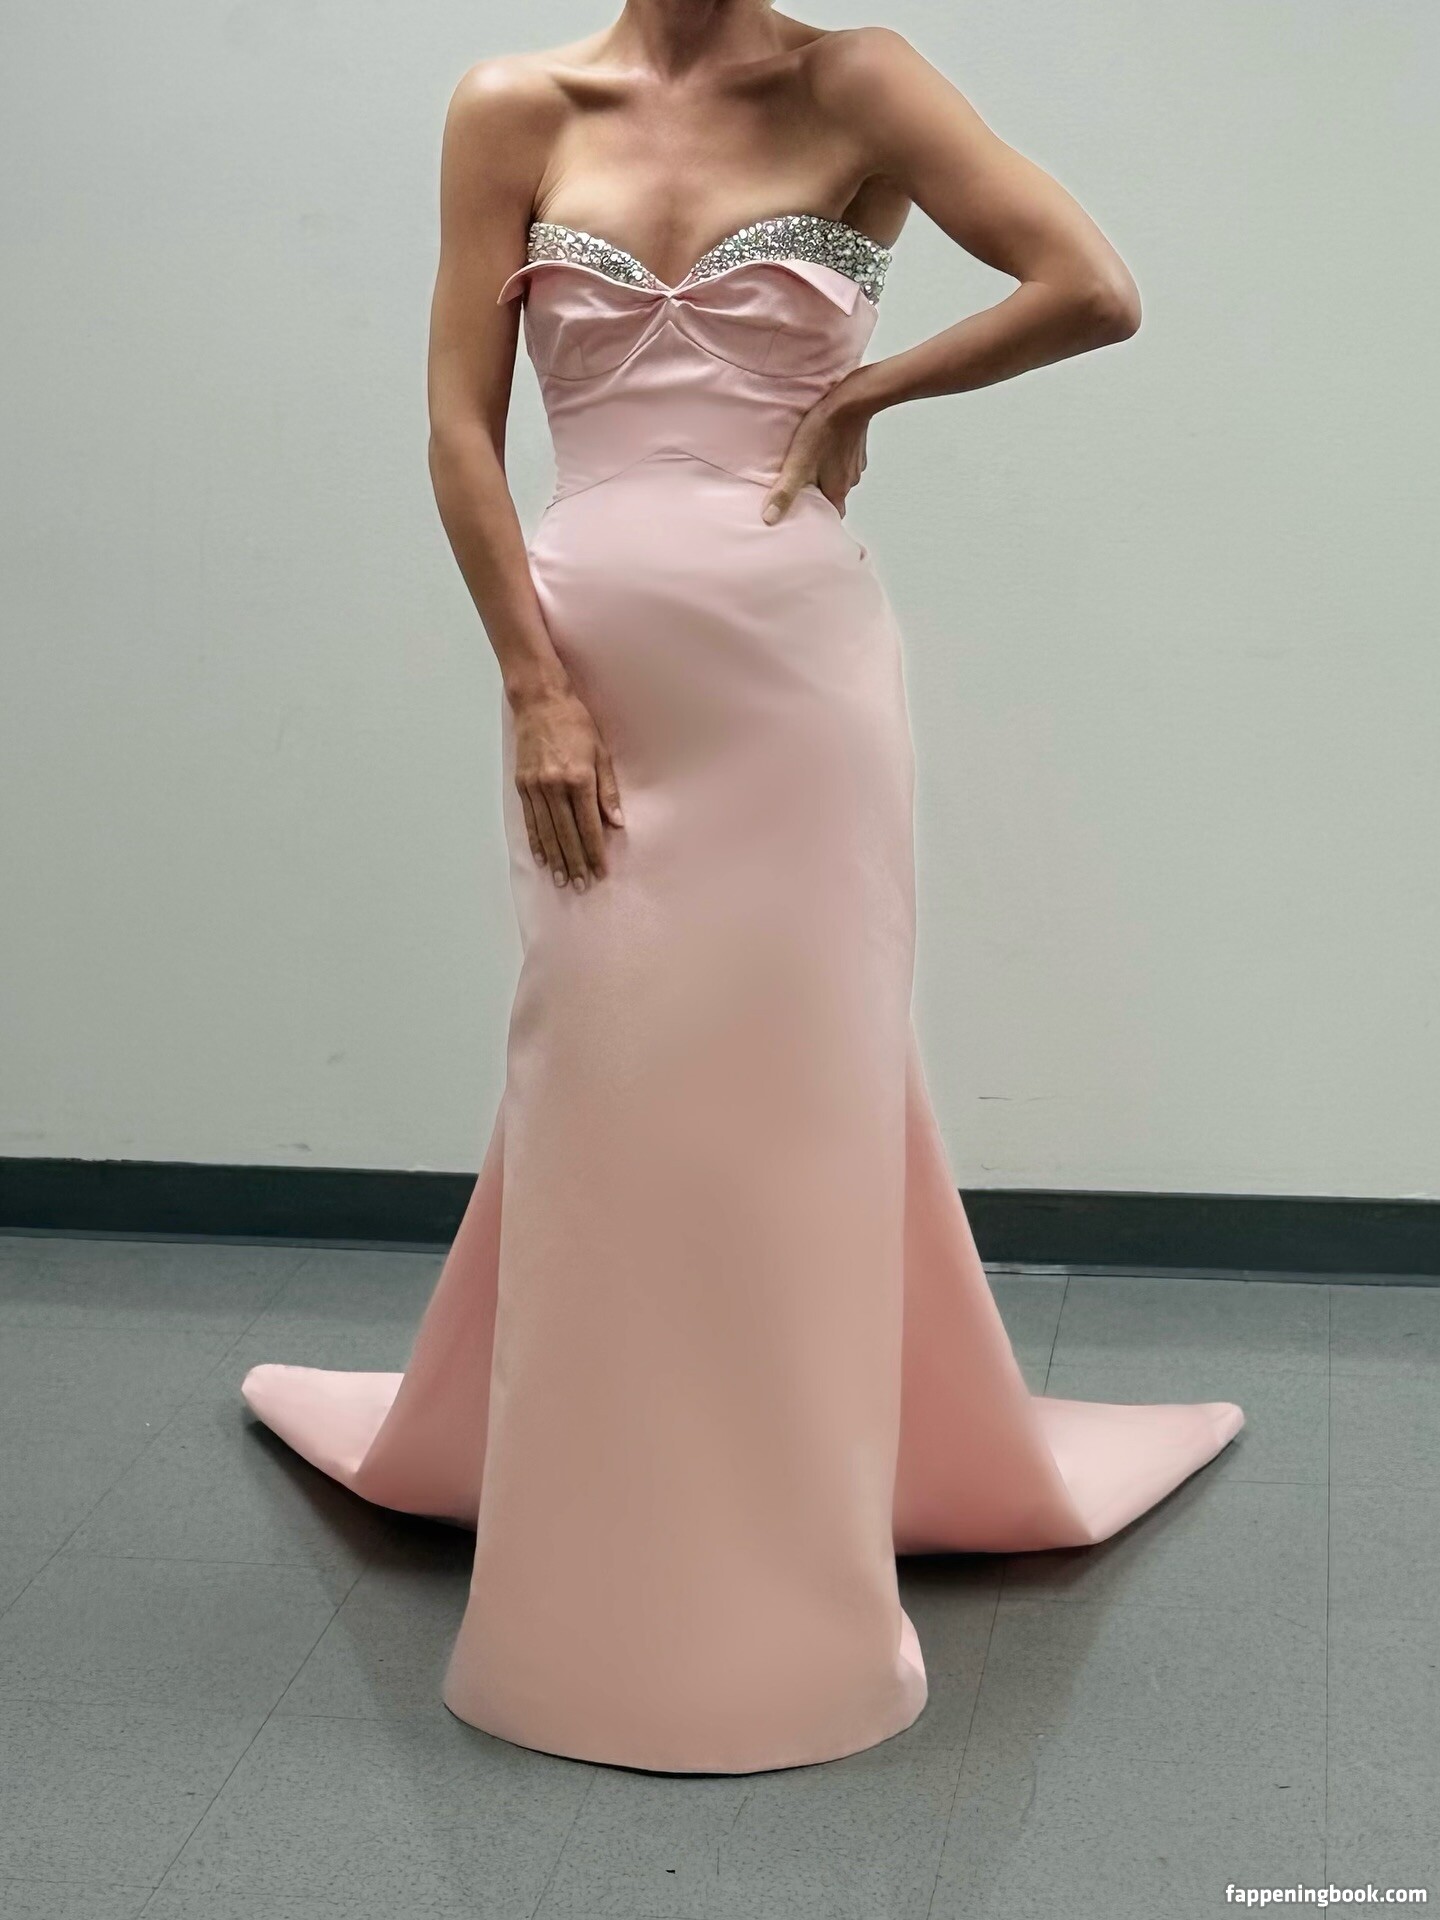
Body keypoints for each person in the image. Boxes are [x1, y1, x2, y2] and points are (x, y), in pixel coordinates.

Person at [242, 2, 1243, 1774]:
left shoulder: (855, 79)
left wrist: (870, 386)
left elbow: (1093, 286)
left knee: (794, 1106)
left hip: (795, 680)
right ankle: (595, 1557)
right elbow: (460, 429)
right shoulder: (513, 106)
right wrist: (534, 687)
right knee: (600, 1086)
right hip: (592, 671)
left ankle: (787, 1569)